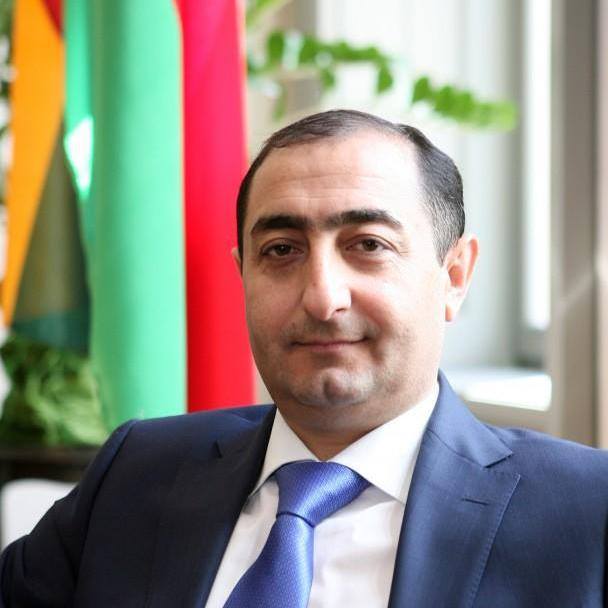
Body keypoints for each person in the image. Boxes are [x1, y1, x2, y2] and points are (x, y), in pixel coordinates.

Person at [0, 109, 606, 607]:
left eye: (368, 245)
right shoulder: (135, 472)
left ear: (453, 276)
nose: (321, 296)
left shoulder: (587, 511)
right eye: (282, 250)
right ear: (243, 275)